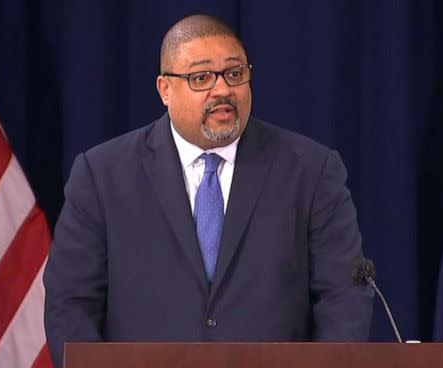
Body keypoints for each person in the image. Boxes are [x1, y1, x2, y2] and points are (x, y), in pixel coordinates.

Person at [44, 14, 373, 367]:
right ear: (164, 90)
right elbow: (70, 305)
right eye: (201, 77)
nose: (222, 90)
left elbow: (345, 297)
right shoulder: (102, 175)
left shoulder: (310, 170)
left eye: (235, 74)